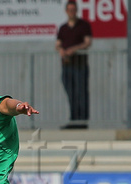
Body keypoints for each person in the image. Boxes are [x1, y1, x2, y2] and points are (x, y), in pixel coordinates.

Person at [56, 0, 92, 129]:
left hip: (80, 66)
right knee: (71, 93)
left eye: (74, 10)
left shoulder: (83, 25)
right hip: (67, 66)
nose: (72, 12)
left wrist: (74, 49)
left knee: (81, 93)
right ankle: (73, 120)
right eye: (69, 10)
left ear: (76, 11)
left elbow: (88, 42)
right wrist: (61, 50)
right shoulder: (63, 28)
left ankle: (82, 121)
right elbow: (58, 44)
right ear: (66, 11)